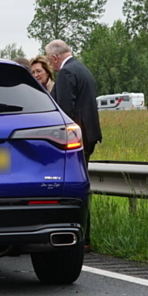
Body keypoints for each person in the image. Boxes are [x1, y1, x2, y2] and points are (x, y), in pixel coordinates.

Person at [45, 39, 102, 249]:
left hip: (77, 139)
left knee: (75, 187)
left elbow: (65, 112)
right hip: (89, 134)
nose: (51, 66)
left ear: (54, 57)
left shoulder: (67, 73)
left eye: (50, 61)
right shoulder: (81, 68)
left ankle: (83, 238)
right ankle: (84, 237)